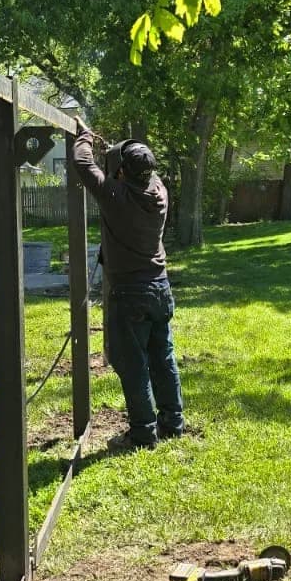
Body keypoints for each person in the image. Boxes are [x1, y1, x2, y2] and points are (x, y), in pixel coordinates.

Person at [72, 122, 185, 451]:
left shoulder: (116, 195)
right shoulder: (159, 192)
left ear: (121, 172)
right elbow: (132, 171)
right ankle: (172, 423)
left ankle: (142, 433)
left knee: (133, 365)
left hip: (130, 293)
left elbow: (82, 162)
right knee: (162, 357)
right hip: (160, 288)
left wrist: (84, 136)